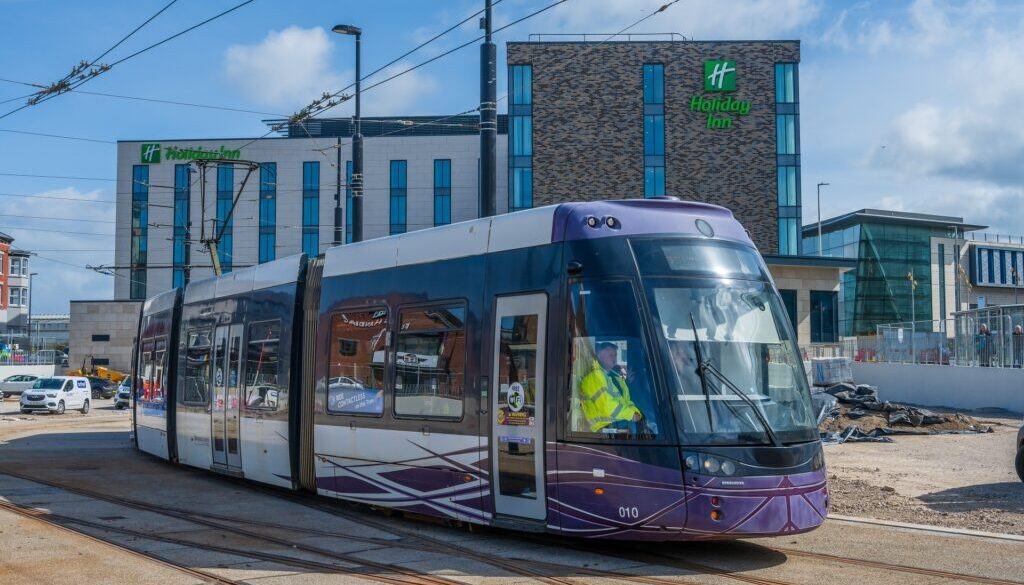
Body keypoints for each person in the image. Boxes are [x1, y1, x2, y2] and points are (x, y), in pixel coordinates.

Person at [578, 341, 645, 433]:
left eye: (615, 355)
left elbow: (627, 401)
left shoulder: (616, 377)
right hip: (601, 431)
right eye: (611, 355)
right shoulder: (594, 377)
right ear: (599, 356)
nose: (614, 359)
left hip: (617, 426)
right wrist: (631, 415)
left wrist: (637, 413)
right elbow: (607, 406)